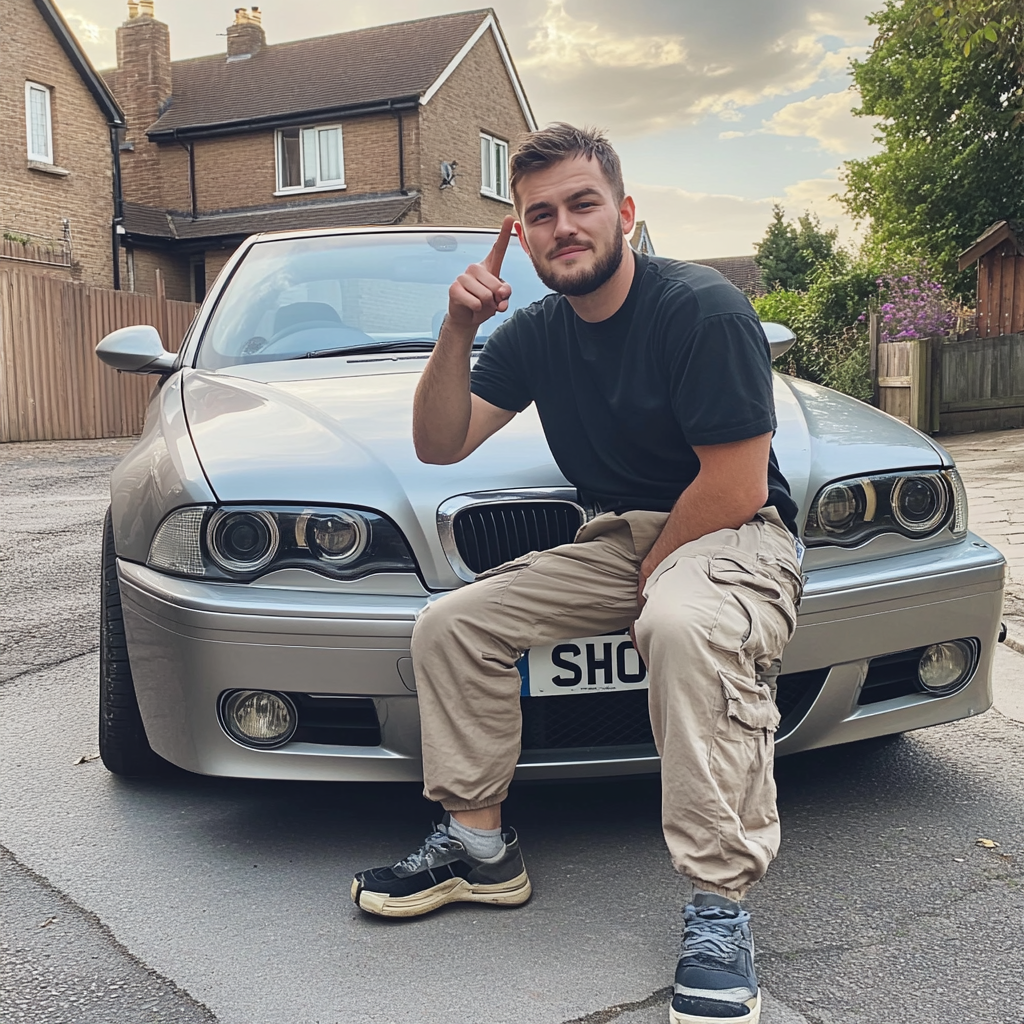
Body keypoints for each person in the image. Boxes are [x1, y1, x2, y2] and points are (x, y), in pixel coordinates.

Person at [351, 123, 802, 1024]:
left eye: (583, 204)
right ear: (520, 236)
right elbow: (438, 446)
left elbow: (737, 481)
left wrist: (659, 571)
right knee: (452, 624)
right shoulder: (532, 333)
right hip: (624, 539)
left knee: (680, 624)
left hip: (734, 529)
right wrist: (456, 329)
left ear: (625, 214)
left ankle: (719, 907)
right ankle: (479, 851)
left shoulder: (700, 308)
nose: (564, 226)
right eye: (541, 214)